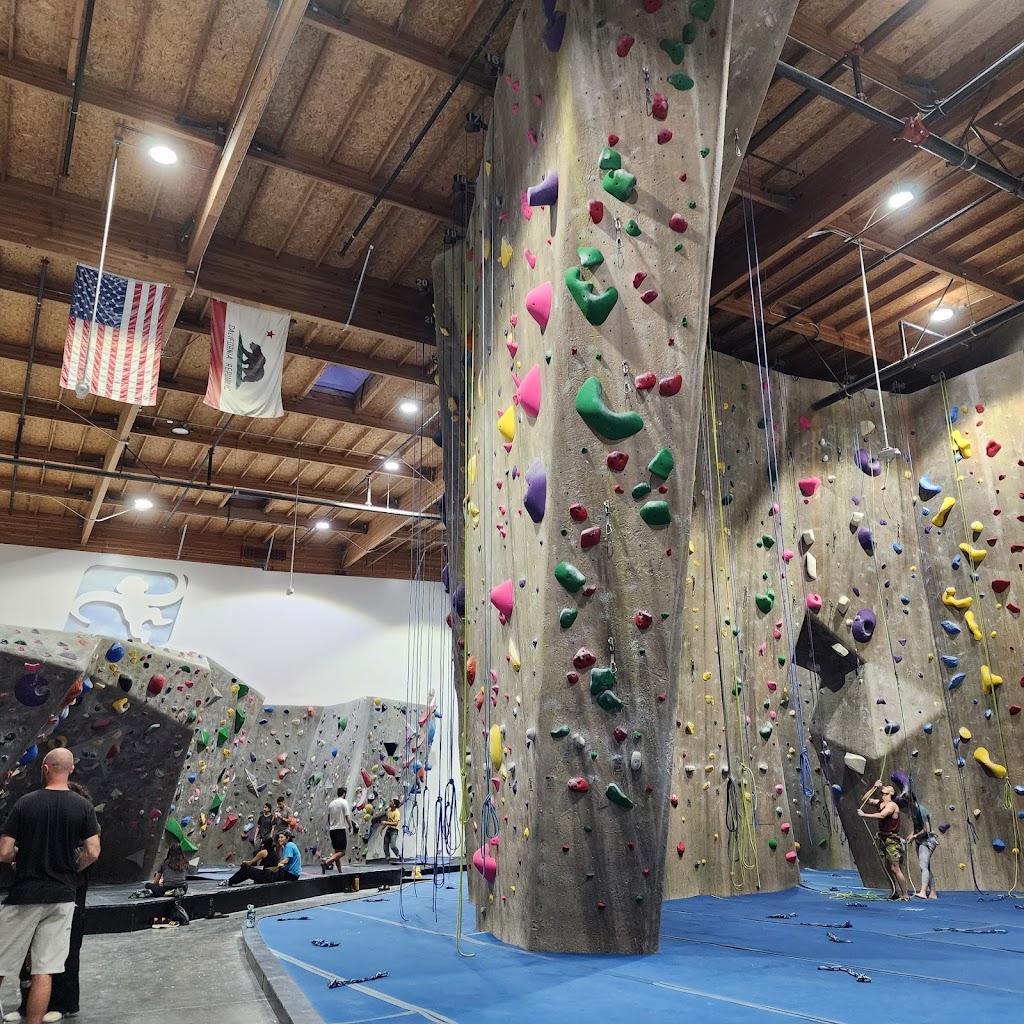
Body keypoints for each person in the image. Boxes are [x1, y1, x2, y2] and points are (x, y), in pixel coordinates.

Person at [0, 749, 100, 1024]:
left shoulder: (25, 803)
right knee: (44, 969)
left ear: (45, 768)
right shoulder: (83, 807)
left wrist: (19, 857)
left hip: (25, 894)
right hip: (62, 896)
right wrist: (71, 869)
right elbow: (93, 851)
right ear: (71, 770)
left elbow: (4, 851)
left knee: (1, 962)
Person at [857, 781, 910, 900]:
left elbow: (882, 815)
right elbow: (865, 799)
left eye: (887, 787)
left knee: (895, 868)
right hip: (883, 839)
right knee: (888, 867)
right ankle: (894, 892)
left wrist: (865, 815)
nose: (884, 787)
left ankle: (905, 894)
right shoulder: (879, 803)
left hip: (892, 840)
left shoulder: (892, 805)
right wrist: (874, 787)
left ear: (890, 793)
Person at [908, 792, 939, 899]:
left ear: (912, 801)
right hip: (920, 840)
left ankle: (923, 892)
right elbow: (916, 826)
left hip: (927, 841)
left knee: (923, 866)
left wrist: (915, 836)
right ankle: (933, 893)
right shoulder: (913, 811)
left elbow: (927, 829)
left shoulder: (921, 810)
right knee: (927, 866)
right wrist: (912, 835)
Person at [321, 787, 352, 874]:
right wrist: (350, 826)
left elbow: (329, 818)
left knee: (337, 852)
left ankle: (340, 871)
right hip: (340, 829)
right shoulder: (343, 802)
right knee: (342, 852)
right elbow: (347, 816)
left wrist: (331, 826)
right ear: (344, 794)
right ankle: (326, 862)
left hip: (332, 830)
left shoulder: (331, 804)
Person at [382, 799, 402, 864]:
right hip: (389, 829)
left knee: (393, 845)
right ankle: (388, 858)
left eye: (391, 802)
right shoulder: (389, 811)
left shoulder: (397, 813)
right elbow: (388, 820)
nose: (390, 803)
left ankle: (399, 854)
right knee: (385, 845)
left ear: (394, 805)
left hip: (394, 830)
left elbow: (396, 823)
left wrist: (386, 822)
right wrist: (382, 828)